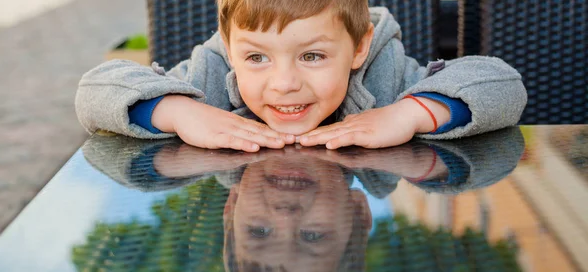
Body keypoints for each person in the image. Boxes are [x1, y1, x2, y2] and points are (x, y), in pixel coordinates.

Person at [75, 0, 527, 153]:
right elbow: (95, 90)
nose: (284, 82)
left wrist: (409, 114)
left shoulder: (384, 75)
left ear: (359, 46)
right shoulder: (210, 76)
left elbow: (503, 85)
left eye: (311, 56)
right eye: (257, 58)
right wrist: (177, 112)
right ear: (231, 48)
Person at [82, 127, 525, 270]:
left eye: (259, 232)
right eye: (312, 235)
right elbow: (98, 91)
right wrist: (407, 115)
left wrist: (179, 115)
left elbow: (502, 87)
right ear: (357, 211)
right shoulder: (222, 75)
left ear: (231, 207)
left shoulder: (218, 93)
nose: (286, 214)